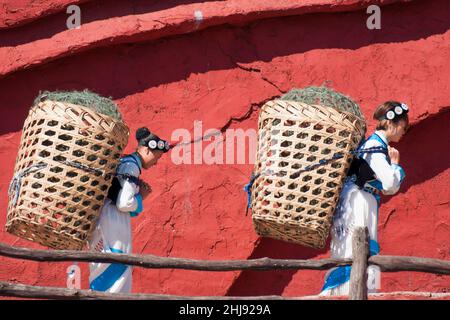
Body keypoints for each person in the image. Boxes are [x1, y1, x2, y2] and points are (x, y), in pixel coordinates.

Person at [320, 101, 410, 296]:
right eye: (403, 127)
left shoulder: (370, 145)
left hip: (355, 200)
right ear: (390, 123)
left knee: (350, 250)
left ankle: (345, 292)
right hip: (360, 202)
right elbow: (389, 185)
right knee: (356, 251)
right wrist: (395, 165)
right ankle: (350, 293)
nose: (404, 132)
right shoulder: (376, 147)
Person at [88, 127, 170, 293]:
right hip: (113, 224)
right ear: (147, 149)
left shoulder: (125, 163)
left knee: (103, 265)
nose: (156, 163)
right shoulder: (131, 167)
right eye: (157, 157)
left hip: (106, 219)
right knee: (117, 269)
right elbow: (124, 203)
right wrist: (141, 197)